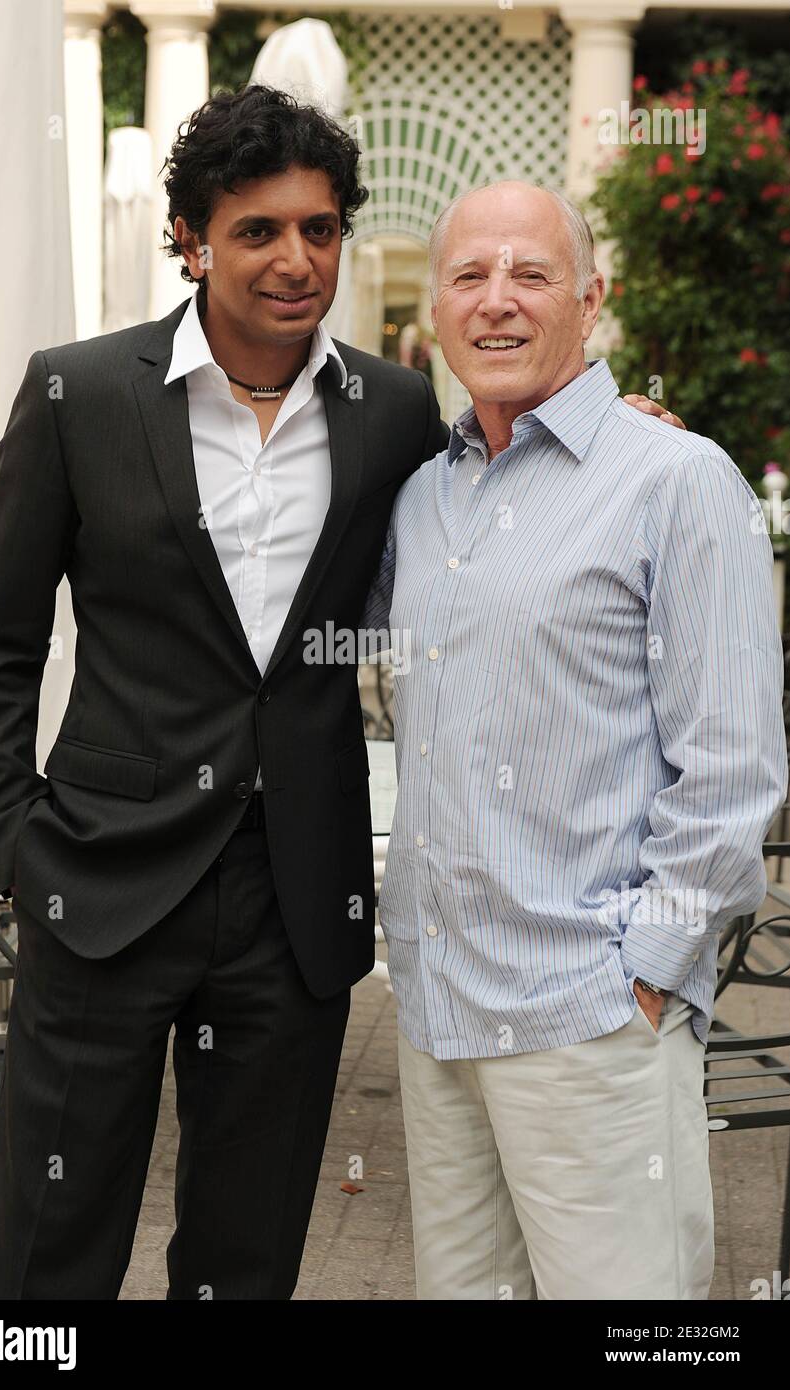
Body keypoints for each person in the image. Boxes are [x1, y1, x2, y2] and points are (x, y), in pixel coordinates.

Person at [0, 83, 449, 1301]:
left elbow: (500, 503)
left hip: (293, 895)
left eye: (320, 230)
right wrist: (15, 840)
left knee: (246, 1251)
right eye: (259, 231)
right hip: (101, 881)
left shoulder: (390, 412)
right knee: (45, 1249)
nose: (296, 260)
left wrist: (626, 422)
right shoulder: (81, 394)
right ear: (192, 239)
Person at [363, 180, 787, 1300]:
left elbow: (735, 768)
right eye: (468, 276)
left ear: (589, 300)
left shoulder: (679, 482)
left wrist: (646, 974)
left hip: (588, 1016)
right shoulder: (417, 498)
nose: (496, 301)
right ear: (438, 309)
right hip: (438, 1007)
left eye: (531, 274)